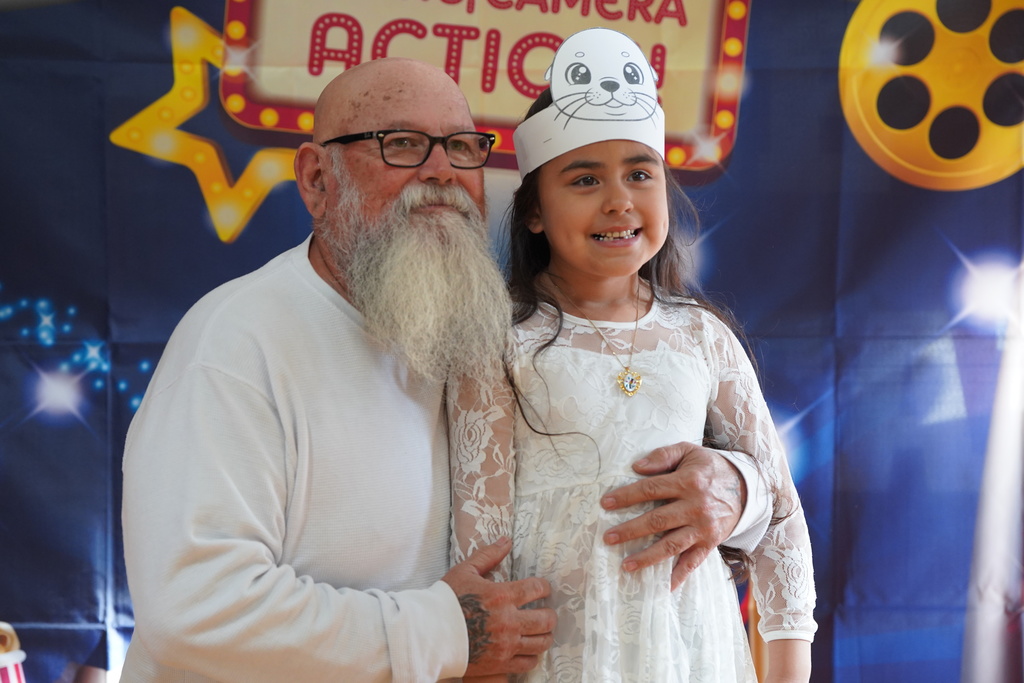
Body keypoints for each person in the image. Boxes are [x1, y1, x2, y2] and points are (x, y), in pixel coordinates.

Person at [121, 55, 769, 682]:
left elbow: (603, 460)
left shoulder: (477, 327)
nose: (441, 171)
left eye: (462, 147)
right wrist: (443, 632)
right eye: (401, 144)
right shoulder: (238, 339)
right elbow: (192, 606)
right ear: (317, 179)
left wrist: (737, 486)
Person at [450, 28, 816, 683]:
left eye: (639, 173)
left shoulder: (702, 337)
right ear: (534, 210)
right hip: (556, 659)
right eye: (585, 178)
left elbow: (780, 517)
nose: (618, 200)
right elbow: (480, 542)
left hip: (691, 655)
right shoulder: (499, 343)